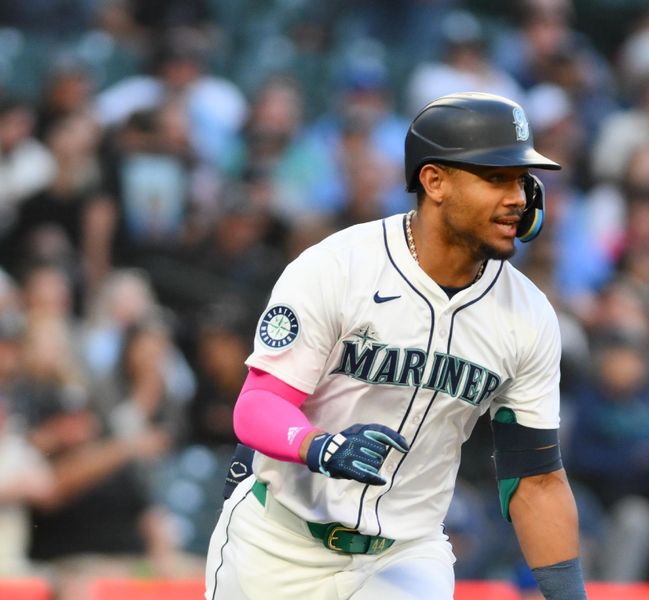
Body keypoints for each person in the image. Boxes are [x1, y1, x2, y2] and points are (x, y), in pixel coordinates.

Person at [204, 92, 586, 600]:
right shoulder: (339, 267)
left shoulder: (530, 314)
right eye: (496, 178)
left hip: (403, 557)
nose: (518, 197)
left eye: (521, 180)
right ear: (434, 181)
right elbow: (257, 405)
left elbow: (536, 478)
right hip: (281, 542)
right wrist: (319, 445)